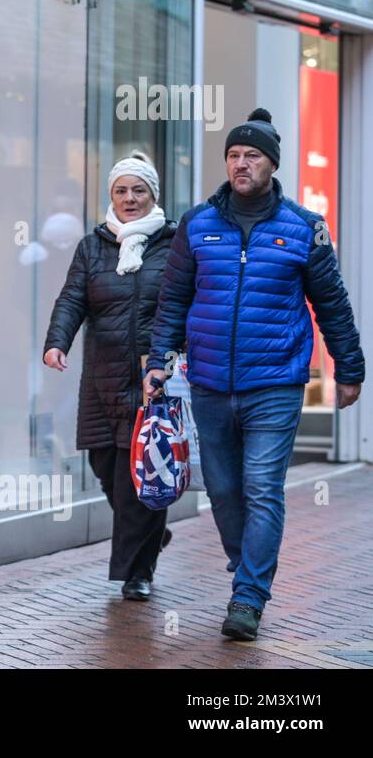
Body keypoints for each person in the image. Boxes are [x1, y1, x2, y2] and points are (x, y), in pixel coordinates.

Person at [144, 107, 364, 641]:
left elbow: (331, 304)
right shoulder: (198, 224)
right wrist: (157, 362)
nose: (241, 164)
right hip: (209, 381)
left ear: (272, 164)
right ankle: (247, 567)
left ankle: (248, 596)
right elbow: (173, 300)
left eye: (252, 156)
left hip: (276, 382)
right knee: (222, 490)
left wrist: (349, 367)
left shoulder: (304, 228)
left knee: (262, 487)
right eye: (234, 155)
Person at [43, 151, 177, 600]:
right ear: (111, 196)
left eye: (139, 190)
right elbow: (71, 299)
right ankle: (150, 534)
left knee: (141, 474)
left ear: (153, 194)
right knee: (104, 463)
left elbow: (186, 302)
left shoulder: (174, 243)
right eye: (121, 191)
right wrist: (57, 342)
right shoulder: (93, 245)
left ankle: (137, 572)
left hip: (151, 378)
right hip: (102, 376)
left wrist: (176, 355)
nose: (130, 198)